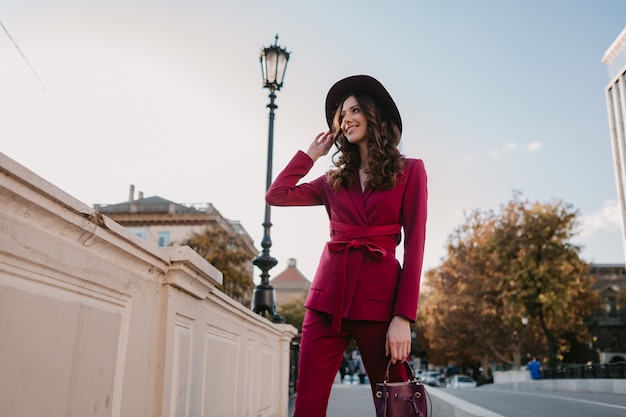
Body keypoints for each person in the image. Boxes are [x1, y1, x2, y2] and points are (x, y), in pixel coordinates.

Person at [266, 74, 428, 417]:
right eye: (341, 114)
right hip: (326, 303)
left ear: (374, 115)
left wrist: (403, 317)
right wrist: (310, 155)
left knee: (399, 409)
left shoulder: (411, 172)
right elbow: (276, 195)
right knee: (307, 407)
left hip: (381, 306)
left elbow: (415, 248)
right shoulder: (332, 181)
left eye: (355, 110)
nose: (346, 119)